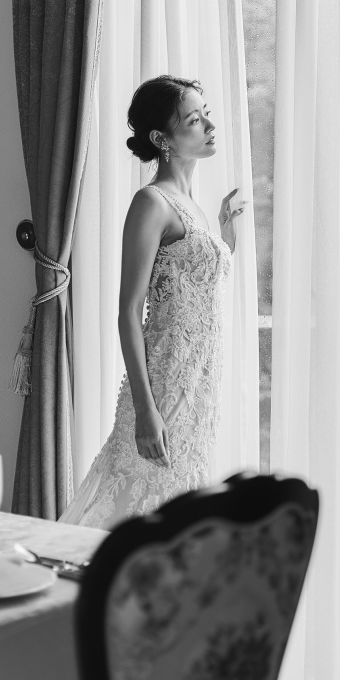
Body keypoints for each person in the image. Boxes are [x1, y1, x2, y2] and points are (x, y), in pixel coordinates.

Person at [59, 74, 243, 529]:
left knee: (175, 505)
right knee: (138, 502)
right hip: (163, 384)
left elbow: (196, 283)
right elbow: (128, 310)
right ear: (162, 139)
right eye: (194, 120)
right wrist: (145, 409)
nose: (209, 127)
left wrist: (223, 236)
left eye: (206, 116)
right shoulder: (152, 202)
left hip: (198, 384)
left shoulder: (193, 206)